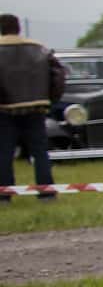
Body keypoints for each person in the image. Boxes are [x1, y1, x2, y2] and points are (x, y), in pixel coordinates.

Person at [0, 12, 65, 201]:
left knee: (4, 153)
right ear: (18, 28)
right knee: (40, 153)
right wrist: (50, 100)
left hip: (4, 109)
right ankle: (46, 194)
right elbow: (58, 76)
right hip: (36, 108)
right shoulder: (39, 48)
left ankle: (4, 196)